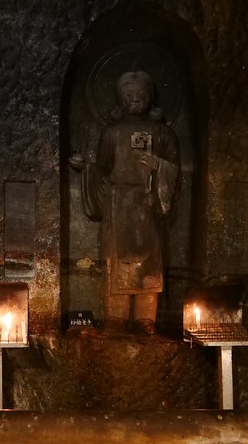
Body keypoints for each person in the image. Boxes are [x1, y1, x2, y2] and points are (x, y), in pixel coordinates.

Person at [70, 71, 179, 334]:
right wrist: (86, 168)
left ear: (150, 98)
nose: (135, 101)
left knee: (149, 262)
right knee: (116, 260)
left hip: (149, 201)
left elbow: (175, 169)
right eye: (129, 96)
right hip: (118, 204)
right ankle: (116, 316)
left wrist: (160, 167)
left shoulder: (162, 133)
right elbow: (104, 169)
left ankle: (145, 318)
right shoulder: (112, 132)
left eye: (141, 96)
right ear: (120, 99)